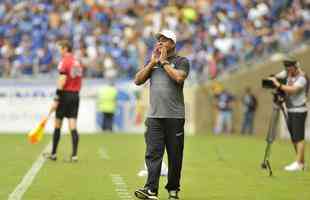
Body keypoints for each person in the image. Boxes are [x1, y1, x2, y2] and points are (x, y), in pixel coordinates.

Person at [133, 29, 190, 200]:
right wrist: (152, 63)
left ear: (173, 44)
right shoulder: (153, 62)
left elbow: (179, 79)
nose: (160, 43)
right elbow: (137, 80)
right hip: (155, 117)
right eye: (159, 40)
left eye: (164, 40)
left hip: (175, 117)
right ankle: (151, 189)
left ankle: (173, 190)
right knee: (153, 154)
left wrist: (164, 62)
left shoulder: (182, 61)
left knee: (175, 156)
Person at [45, 40, 83, 162]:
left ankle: (54, 154)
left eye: (60, 48)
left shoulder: (64, 61)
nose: (59, 51)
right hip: (75, 95)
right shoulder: (77, 62)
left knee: (58, 124)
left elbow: (62, 79)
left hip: (65, 94)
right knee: (73, 124)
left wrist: (57, 98)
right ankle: (74, 155)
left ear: (65, 48)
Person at [269, 57, 308, 171]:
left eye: (290, 68)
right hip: (290, 109)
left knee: (299, 138)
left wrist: (279, 85)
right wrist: (273, 80)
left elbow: (293, 90)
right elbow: (275, 78)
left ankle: (298, 164)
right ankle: (301, 162)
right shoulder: (287, 72)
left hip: (299, 110)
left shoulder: (302, 78)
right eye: (286, 68)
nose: (288, 70)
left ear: (296, 66)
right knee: (294, 138)